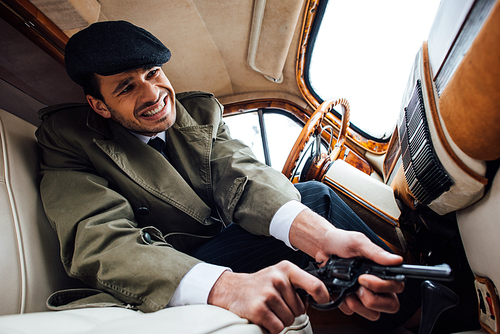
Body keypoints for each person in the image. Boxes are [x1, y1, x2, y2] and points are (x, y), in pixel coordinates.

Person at [36, 21, 413, 334]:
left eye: (153, 73)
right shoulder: (67, 139)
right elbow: (101, 240)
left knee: (314, 212)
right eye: (126, 86)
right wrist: (228, 286)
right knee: (318, 197)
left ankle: (400, 302)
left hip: (215, 244)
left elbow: (241, 173)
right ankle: (419, 312)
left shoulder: (198, 112)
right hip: (156, 271)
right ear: (99, 105)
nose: (153, 93)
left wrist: (322, 238)